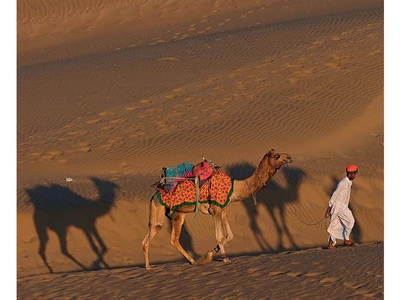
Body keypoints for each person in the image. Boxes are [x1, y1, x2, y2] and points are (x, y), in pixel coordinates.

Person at [324, 165, 358, 249]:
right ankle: (346, 240)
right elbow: (335, 194)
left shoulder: (349, 182)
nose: (355, 176)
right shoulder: (343, 183)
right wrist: (329, 206)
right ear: (350, 174)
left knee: (335, 224)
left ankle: (331, 244)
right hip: (339, 207)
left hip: (343, 206)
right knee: (351, 221)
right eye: (354, 174)